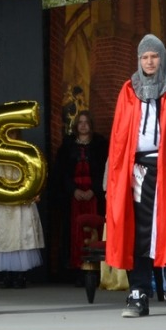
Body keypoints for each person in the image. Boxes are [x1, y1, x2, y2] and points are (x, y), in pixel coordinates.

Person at [104, 35, 166, 318]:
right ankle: (138, 294)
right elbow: (119, 137)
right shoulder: (128, 90)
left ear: (162, 58)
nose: (149, 61)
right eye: (144, 57)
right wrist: (117, 175)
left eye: (154, 56)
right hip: (137, 171)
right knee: (138, 232)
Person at [49, 110, 107, 280]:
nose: (83, 125)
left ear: (91, 125)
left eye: (86, 122)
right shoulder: (67, 147)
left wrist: (93, 190)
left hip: (94, 196)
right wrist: (73, 190)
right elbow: (61, 173)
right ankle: (75, 268)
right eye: (80, 122)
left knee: (95, 230)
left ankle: (95, 269)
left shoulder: (100, 146)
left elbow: (105, 171)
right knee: (73, 231)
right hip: (73, 197)